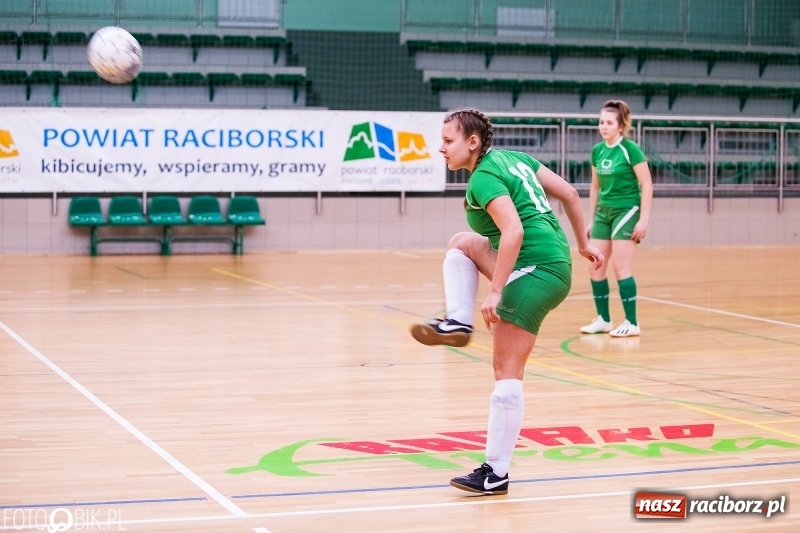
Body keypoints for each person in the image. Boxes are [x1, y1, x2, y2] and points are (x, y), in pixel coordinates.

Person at [409, 108, 604, 495]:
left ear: (472, 142)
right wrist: (582, 244)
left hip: (535, 270)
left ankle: (495, 472)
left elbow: (513, 231)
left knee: (506, 371)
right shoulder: (513, 159)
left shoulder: (482, 178)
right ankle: (458, 320)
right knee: (461, 244)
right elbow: (568, 192)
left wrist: (496, 291)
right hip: (552, 261)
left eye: (448, 141)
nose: (441, 148)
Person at [579, 100, 653, 337]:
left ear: (621, 126)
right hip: (603, 213)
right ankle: (604, 320)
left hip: (626, 211)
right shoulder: (597, 151)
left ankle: (632, 322)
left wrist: (643, 219)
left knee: (621, 267)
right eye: (601, 122)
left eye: (609, 123)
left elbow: (647, 184)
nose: (604, 126)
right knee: (595, 265)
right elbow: (595, 187)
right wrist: (592, 219)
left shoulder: (630, 149)